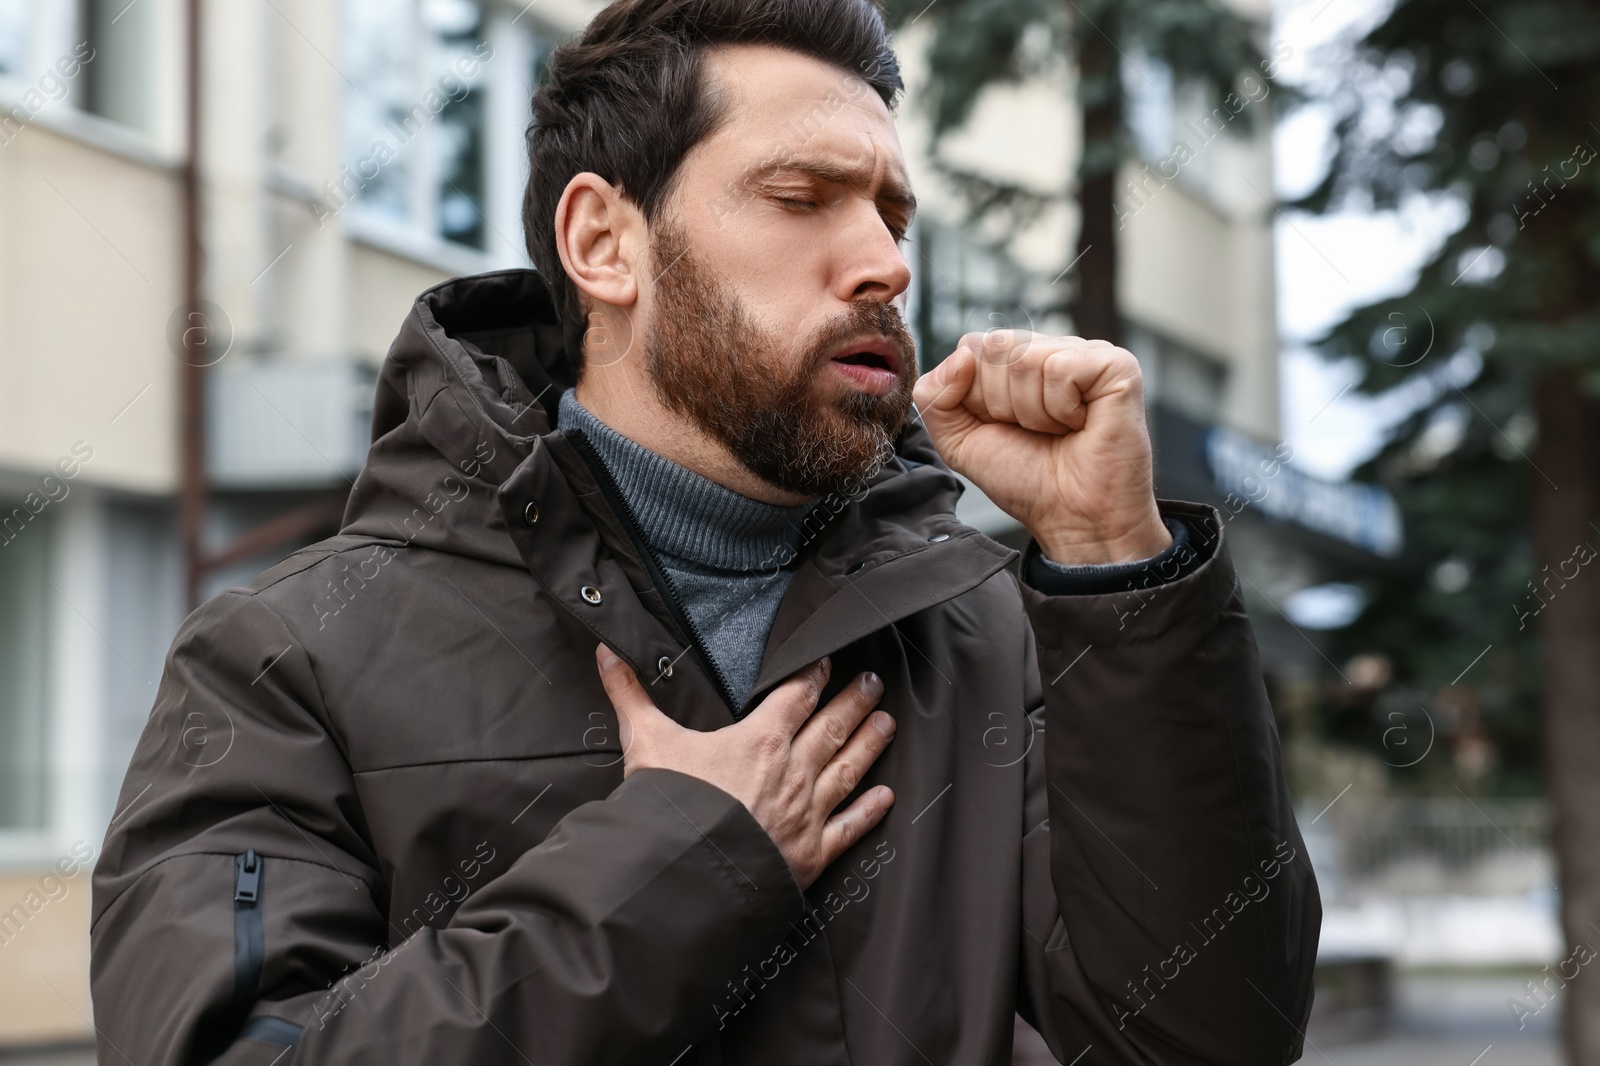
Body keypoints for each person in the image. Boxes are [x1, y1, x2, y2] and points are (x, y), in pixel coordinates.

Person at [90, 0, 1320, 1062]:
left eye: (894, 214)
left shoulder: (996, 633)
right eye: (802, 197)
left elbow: (1207, 1034)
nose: (883, 263)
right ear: (602, 243)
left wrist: (1116, 562)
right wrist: (680, 859)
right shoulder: (286, 658)